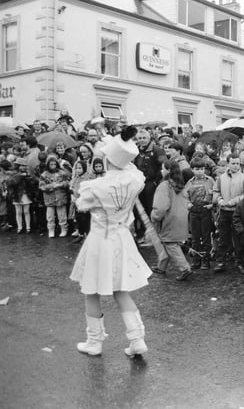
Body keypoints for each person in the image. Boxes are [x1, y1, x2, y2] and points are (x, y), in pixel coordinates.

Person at [70, 126, 151, 357]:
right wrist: (121, 149)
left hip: (100, 239)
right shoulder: (135, 180)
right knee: (121, 291)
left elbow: (81, 205)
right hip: (122, 238)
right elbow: (133, 171)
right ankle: (137, 339)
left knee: (92, 291)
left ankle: (94, 341)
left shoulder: (96, 186)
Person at [149, 160, 193, 281]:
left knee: (170, 244)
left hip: (168, 219)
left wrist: (154, 216)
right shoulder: (180, 184)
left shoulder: (164, 185)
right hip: (180, 218)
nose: (161, 171)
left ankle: (185, 268)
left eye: (163, 169)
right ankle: (161, 267)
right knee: (167, 243)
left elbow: (161, 207)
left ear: (168, 171)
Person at [212, 153, 244, 273]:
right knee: (223, 237)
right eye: (233, 163)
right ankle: (220, 261)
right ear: (228, 163)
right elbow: (216, 191)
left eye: (238, 163)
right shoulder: (222, 178)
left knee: (238, 238)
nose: (236, 166)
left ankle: (239, 262)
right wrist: (219, 200)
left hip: (237, 212)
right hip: (224, 212)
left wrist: (233, 201)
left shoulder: (243, 178)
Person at [184, 157, 215, 270]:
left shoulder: (210, 180)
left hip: (206, 210)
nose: (200, 171)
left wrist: (212, 204)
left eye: (202, 169)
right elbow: (184, 196)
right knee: (195, 237)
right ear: (192, 169)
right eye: (197, 169)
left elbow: (216, 193)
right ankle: (196, 259)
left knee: (206, 236)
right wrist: (188, 204)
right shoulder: (189, 182)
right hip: (194, 212)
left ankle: (206, 259)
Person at [39, 155, 71, 238]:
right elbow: (41, 186)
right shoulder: (44, 175)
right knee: (50, 216)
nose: (53, 166)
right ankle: (51, 229)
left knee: (62, 215)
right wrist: (50, 186)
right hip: (49, 197)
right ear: (48, 165)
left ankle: (64, 228)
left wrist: (60, 185)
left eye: (54, 164)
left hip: (60, 197)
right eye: (51, 164)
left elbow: (68, 182)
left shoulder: (62, 173)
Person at [6, 157, 38, 234]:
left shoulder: (28, 174)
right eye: (22, 165)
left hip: (26, 194)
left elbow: (35, 181)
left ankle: (28, 227)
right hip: (17, 195)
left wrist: (28, 177)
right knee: (18, 212)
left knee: (26, 211)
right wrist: (20, 176)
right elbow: (11, 183)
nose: (23, 167)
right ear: (18, 166)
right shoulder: (14, 174)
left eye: (24, 165)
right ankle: (19, 227)